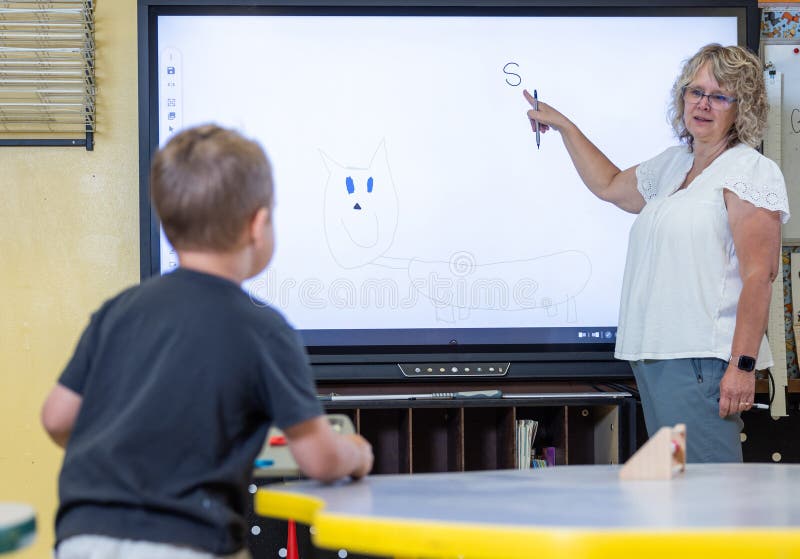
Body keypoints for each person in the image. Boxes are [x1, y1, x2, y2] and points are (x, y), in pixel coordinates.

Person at [41, 124, 374, 559]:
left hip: (83, 537)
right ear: (258, 225)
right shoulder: (264, 329)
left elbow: (56, 417)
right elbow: (317, 460)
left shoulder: (119, 310)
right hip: (186, 542)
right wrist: (355, 454)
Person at [523, 44, 789, 463]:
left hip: (701, 360)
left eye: (719, 96)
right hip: (655, 358)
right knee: (682, 492)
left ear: (743, 108)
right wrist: (565, 127)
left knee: (707, 493)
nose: (703, 104)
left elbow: (761, 274)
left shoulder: (750, 170)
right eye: (695, 91)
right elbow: (609, 184)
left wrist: (742, 365)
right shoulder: (673, 165)